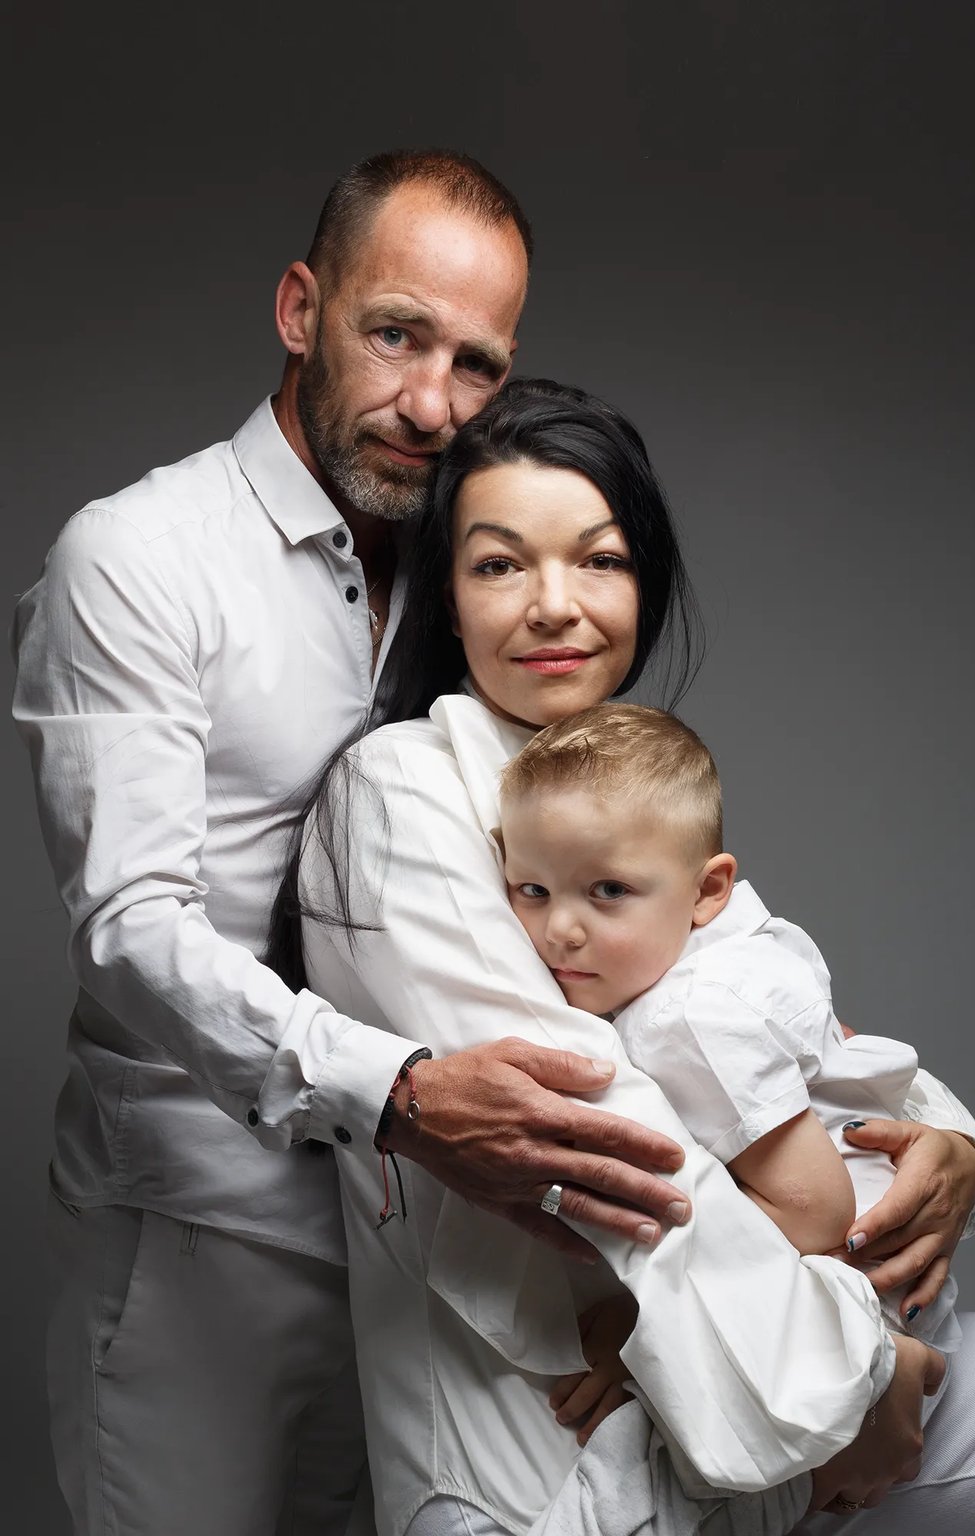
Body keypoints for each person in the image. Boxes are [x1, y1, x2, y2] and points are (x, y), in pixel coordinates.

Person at [12, 151, 694, 1536]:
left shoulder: (481, 568)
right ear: (298, 309)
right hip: (205, 1243)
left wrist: (924, 1134)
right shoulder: (136, 558)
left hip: (419, 1259)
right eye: (395, 335)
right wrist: (405, 1096)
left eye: (477, 365)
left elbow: (625, 876)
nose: (432, 403)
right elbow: (132, 925)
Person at [294, 379, 975, 1536]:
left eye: (599, 560)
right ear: (445, 589)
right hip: (543, 1459)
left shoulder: (620, 781)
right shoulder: (401, 787)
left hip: (734, 1397)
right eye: (497, 565)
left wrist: (953, 1150)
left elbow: (785, 1023)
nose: (553, 607)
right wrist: (866, 1376)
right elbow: (613, 1126)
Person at [497, 700, 961, 1444]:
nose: (561, 929)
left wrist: (646, 1322)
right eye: (533, 891)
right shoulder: (744, 941)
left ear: (709, 890)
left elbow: (815, 1213)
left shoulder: (689, 1017)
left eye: (608, 891)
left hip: (855, 1302)